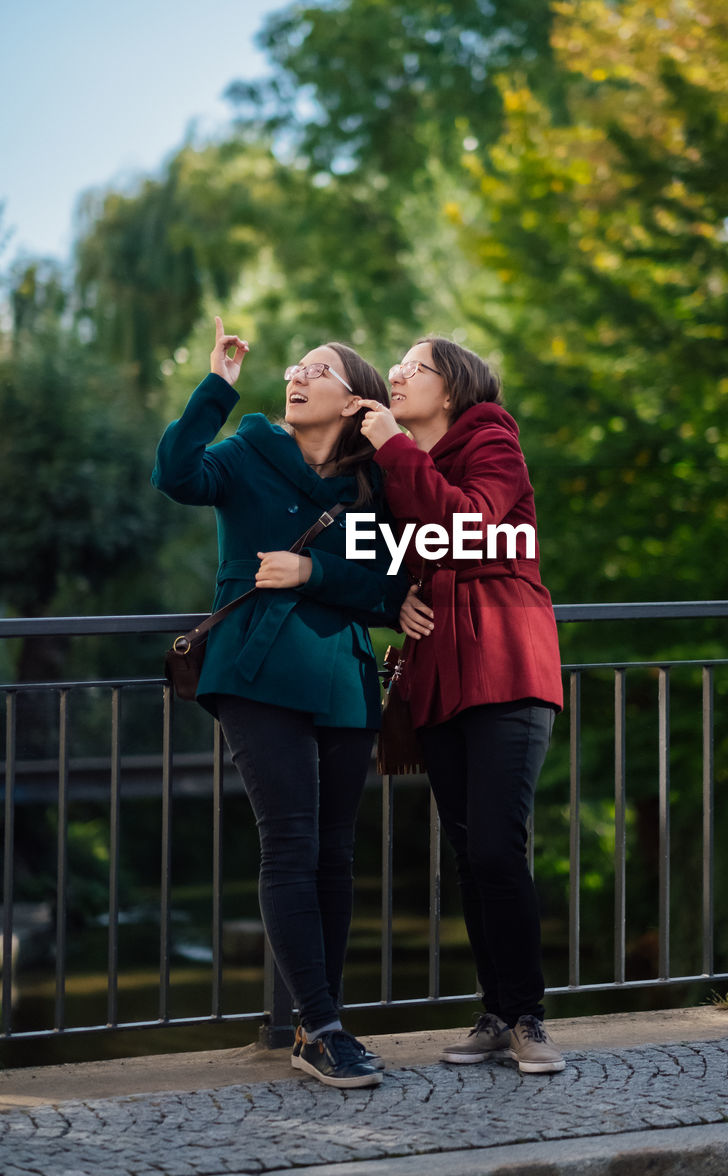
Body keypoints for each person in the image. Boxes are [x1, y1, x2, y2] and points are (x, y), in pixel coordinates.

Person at [152, 317, 406, 1089]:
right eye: (293, 366)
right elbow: (174, 472)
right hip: (256, 675)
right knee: (290, 845)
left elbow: (390, 591)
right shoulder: (248, 451)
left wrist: (312, 577)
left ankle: (311, 1024)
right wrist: (215, 386)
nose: (295, 374)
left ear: (354, 399)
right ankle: (324, 1027)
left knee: (334, 857)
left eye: (316, 368)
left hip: (341, 679)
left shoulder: (371, 487)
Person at [357, 336, 566, 1074]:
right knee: (467, 857)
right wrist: (402, 596)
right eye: (395, 369)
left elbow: (469, 526)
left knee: (493, 849)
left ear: (452, 388)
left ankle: (530, 1019)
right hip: (441, 678)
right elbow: (405, 549)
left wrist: (389, 445)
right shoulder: (401, 466)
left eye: (413, 368)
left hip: (506, 666)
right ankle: (496, 1010)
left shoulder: (491, 440)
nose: (396, 376)